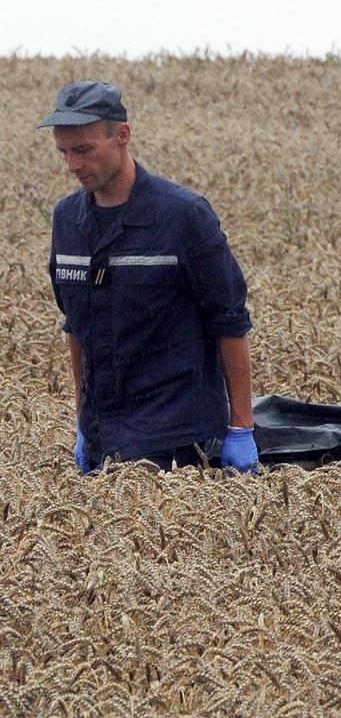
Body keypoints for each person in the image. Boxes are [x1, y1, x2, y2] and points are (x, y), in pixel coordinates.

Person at [39, 80, 259, 472]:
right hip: (102, 437)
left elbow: (229, 321)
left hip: (179, 441)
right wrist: (83, 424)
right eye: (65, 153)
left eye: (84, 150)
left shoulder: (184, 216)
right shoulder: (67, 220)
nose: (73, 165)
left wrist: (241, 428)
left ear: (122, 135)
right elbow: (76, 328)